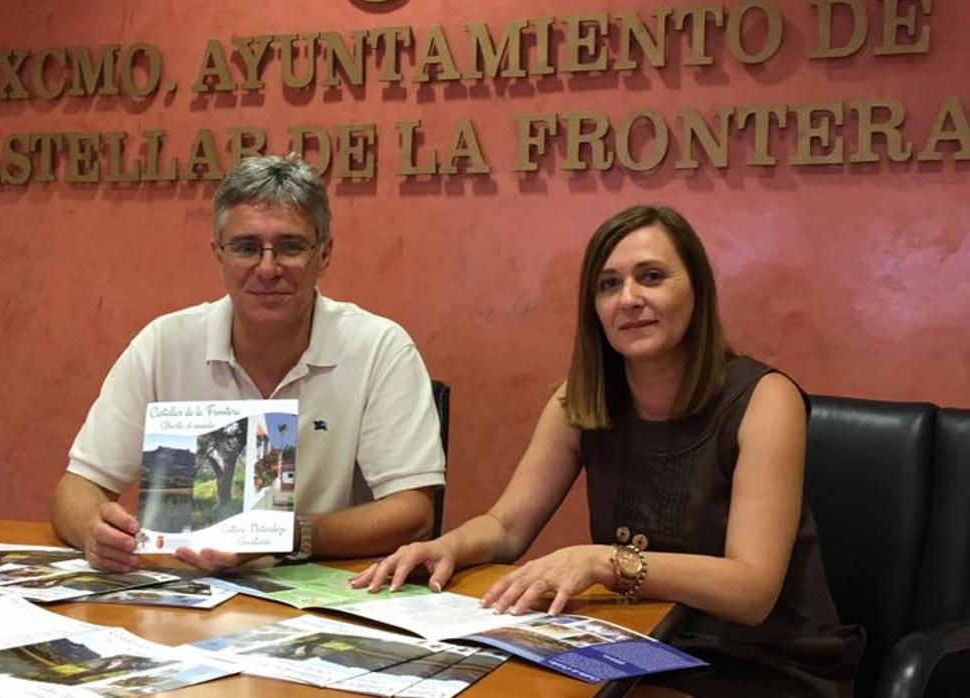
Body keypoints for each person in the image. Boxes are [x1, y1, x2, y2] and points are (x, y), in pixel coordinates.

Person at [352, 205, 864, 697]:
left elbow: (752, 592)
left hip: (758, 660)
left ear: (698, 292)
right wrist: (447, 547)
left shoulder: (764, 398)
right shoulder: (580, 398)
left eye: (652, 277)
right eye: (609, 284)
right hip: (639, 644)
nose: (629, 298)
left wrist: (606, 561)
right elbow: (507, 527)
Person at [51, 154, 445, 575]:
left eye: (291, 247)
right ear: (217, 254)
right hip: (181, 594)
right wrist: (94, 530)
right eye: (246, 248)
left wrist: (286, 536)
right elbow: (76, 488)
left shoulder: (380, 347)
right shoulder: (164, 343)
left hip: (322, 598)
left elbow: (413, 511)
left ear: (324, 254)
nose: (268, 268)